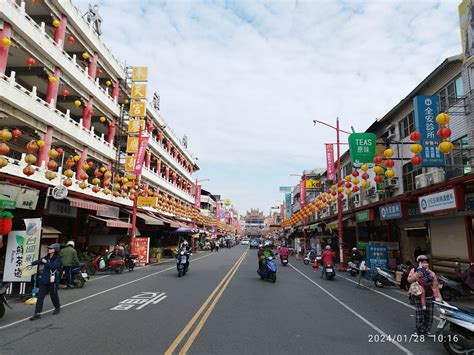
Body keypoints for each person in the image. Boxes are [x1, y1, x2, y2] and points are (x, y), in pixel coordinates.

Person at [21, 243, 62, 320]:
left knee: (53, 296)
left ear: (55, 250)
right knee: (40, 297)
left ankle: (57, 307)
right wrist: (29, 264)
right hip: (44, 280)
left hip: (52, 281)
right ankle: (37, 313)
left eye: (51, 248)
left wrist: (46, 262)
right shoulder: (47, 257)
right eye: (49, 248)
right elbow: (40, 261)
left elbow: (53, 267)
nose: (49, 249)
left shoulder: (58, 258)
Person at [408, 255, 442, 335]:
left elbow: (435, 285)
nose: (425, 264)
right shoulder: (415, 270)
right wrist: (416, 275)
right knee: (420, 314)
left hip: (429, 296)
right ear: (419, 263)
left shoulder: (431, 273)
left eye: (426, 262)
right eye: (423, 262)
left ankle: (426, 330)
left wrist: (437, 296)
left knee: (429, 314)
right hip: (418, 295)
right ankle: (418, 331)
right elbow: (409, 280)